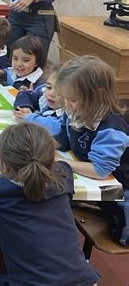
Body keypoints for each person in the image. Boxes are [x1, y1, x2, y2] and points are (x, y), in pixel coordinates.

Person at [0, 123, 100, 286]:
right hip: (84, 281)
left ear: (5, 167)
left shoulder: (0, 193)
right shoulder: (63, 176)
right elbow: (63, 164)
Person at [54, 56, 129, 245]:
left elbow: (101, 171)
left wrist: (62, 162)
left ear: (97, 94)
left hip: (120, 191)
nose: (66, 105)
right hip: (93, 180)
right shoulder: (77, 110)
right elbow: (63, 139)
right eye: (64, 98)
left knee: (120, 235)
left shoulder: (111, 128)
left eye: (72, 99)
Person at [13, 64, 64, 135]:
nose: (51, 93)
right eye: (49, 87)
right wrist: (26, 107)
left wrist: (30, 118)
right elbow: (24, 94)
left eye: (59, 91)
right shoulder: (42, 95)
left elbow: (56, 128)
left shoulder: (68, 115)